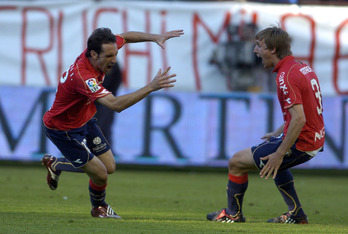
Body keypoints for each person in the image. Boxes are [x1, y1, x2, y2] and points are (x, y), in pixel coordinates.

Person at [41, 27, 184, 218]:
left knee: (109, 167)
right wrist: (151, 87)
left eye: (115, 54)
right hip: (62, 129)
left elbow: (125, 37)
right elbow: (115, 105)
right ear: (93, 54)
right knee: (100, 173)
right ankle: (98, 207)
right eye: (109, 56)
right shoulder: (84, 78)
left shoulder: (99, 51)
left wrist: (155, 37)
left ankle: (56, 164)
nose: (114, 60)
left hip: (85, 119)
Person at [207, 26, 325, 224]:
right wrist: (279, 132)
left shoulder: (285, 76)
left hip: (302, 141)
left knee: (236, 162)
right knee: (275, 164)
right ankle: (296, 214)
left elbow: (299, 119)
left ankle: (232, 213)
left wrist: (279, 153)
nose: (255, 51)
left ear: (272, 49)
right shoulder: (302, 67)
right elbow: (306, 110)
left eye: (258, 46)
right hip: (314, 138)